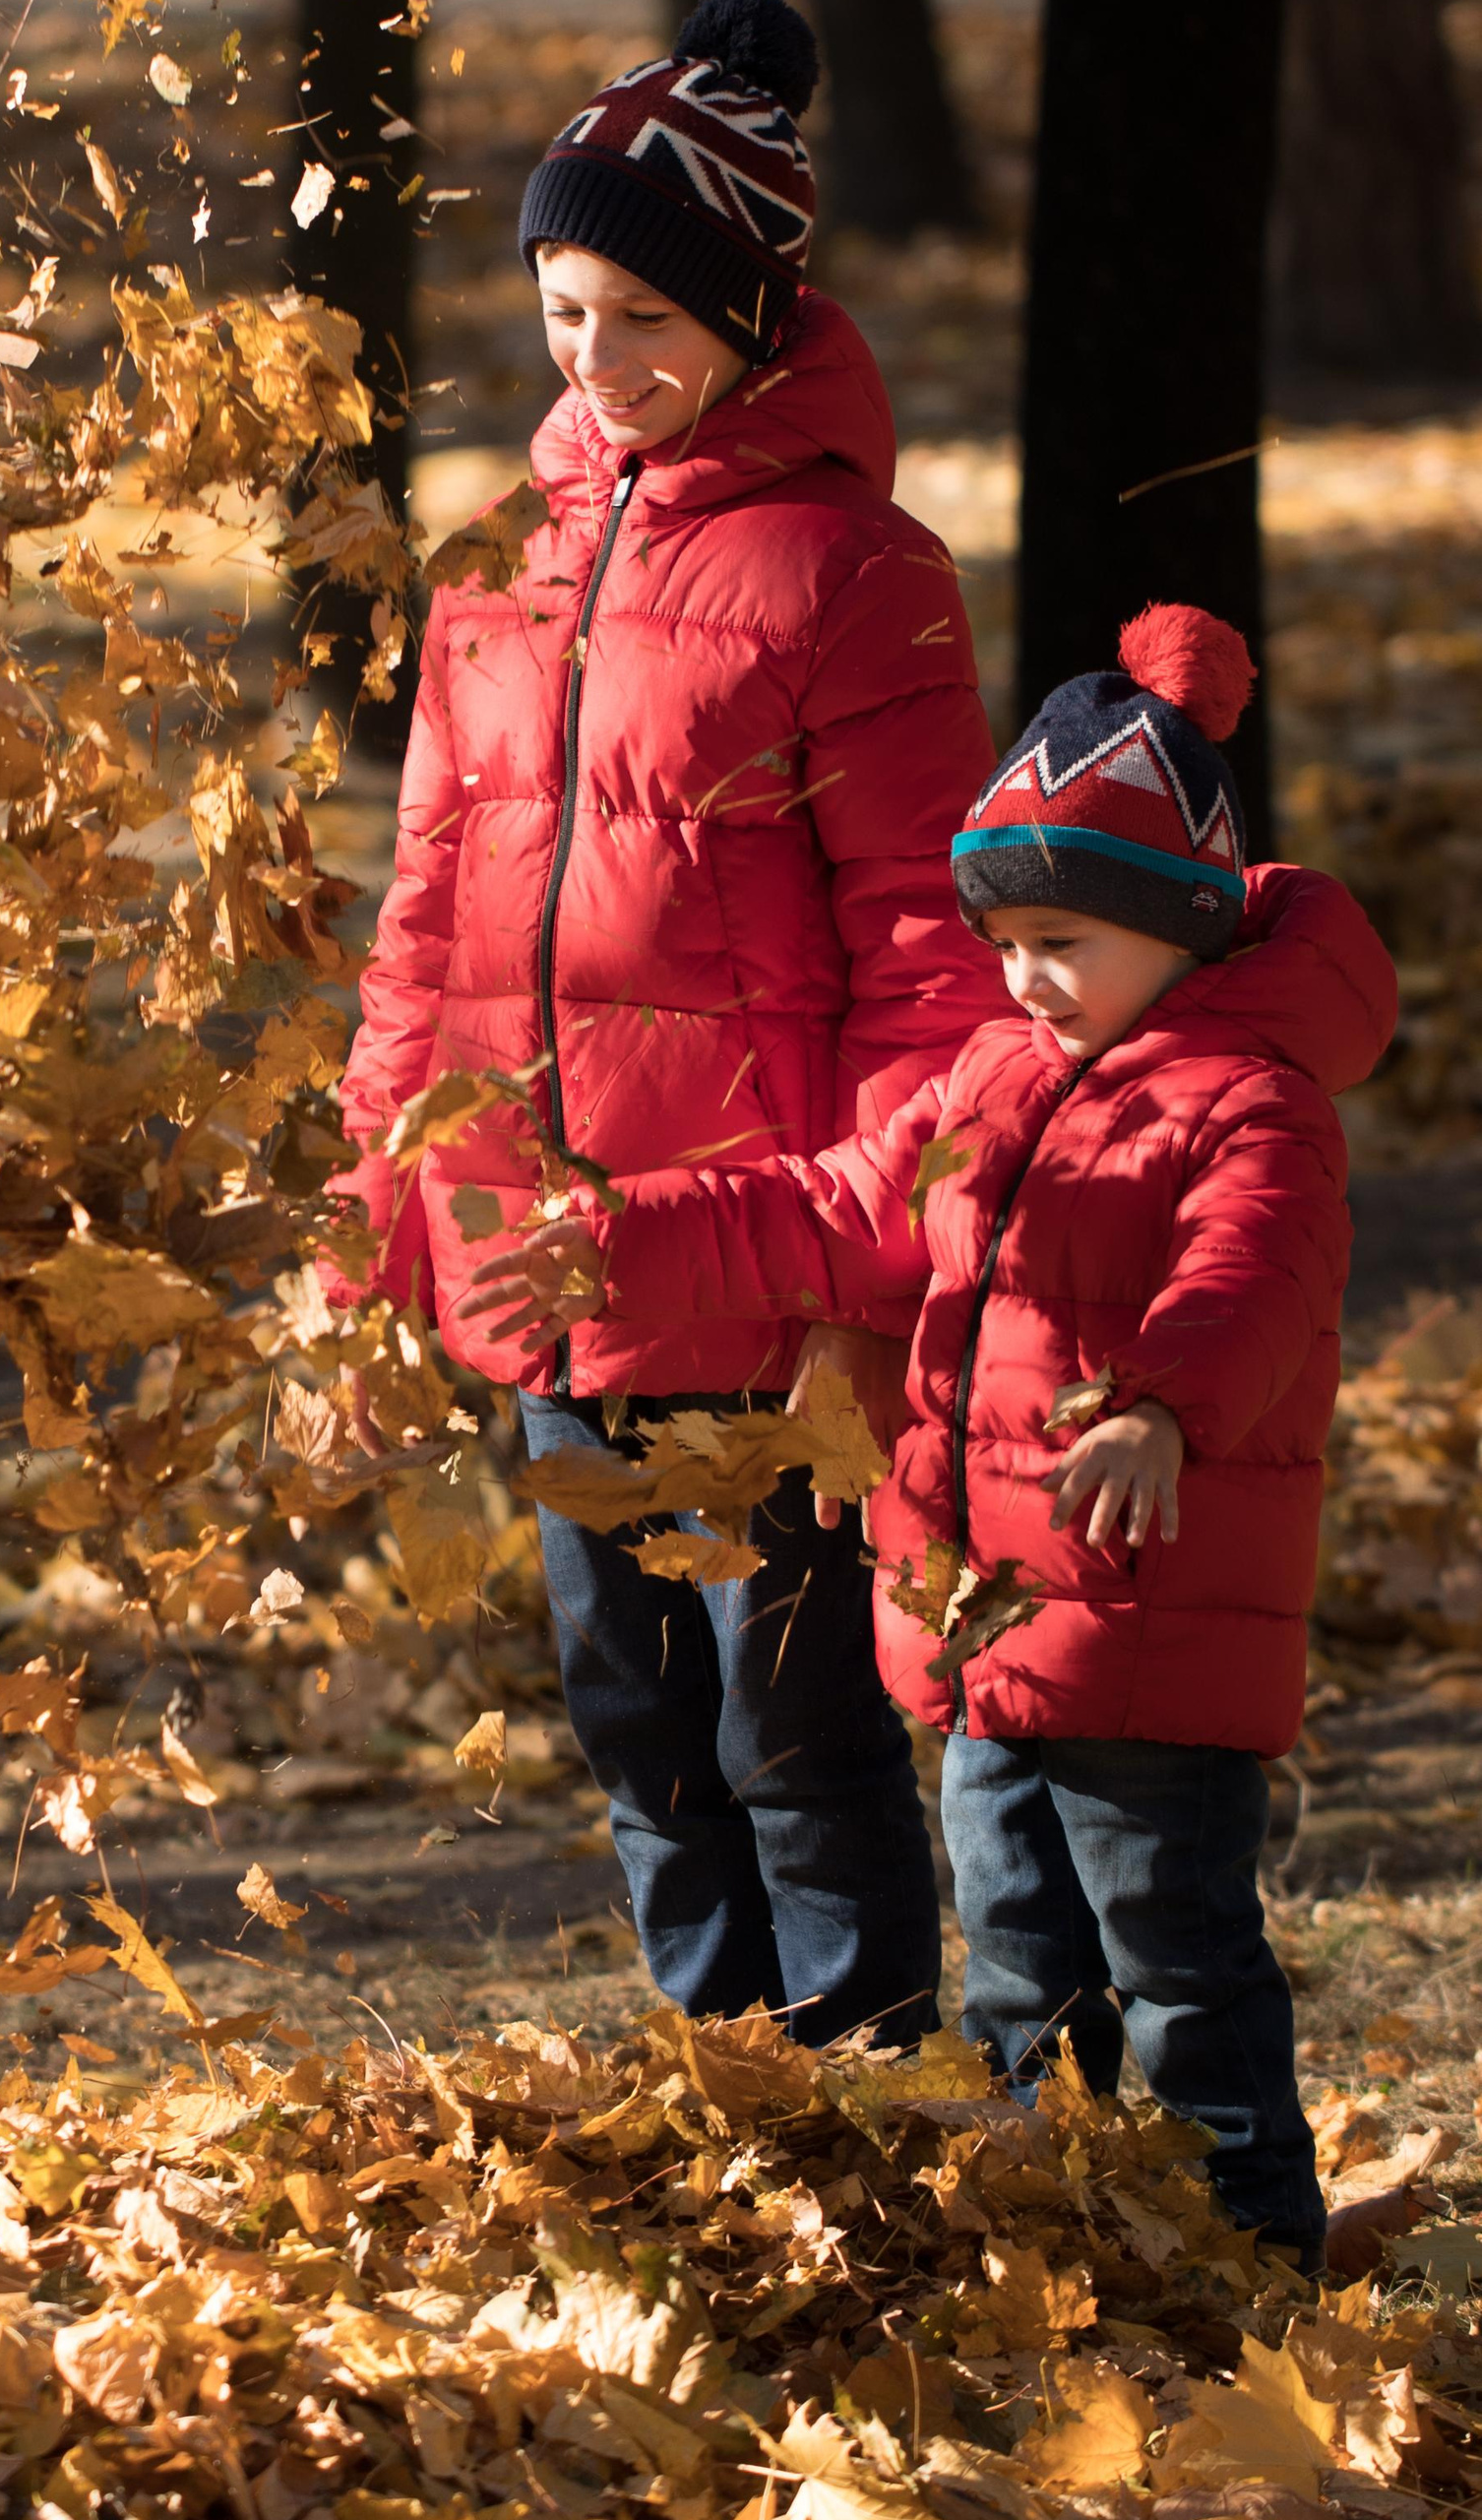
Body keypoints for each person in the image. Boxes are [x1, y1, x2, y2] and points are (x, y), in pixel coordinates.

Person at [460, 605, 1400, 2270]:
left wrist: (1167, 1404)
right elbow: (830, 1210)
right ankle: (1072, 2235)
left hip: (1148, 1629)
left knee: (1175, 1954)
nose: (1029, 977)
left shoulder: (1252, 1105)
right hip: (983, 1629)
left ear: (1181, 928)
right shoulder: (988, 1077)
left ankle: (1253, 2253)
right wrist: (630, 1233)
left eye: (1069, 942)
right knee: (1024, 1960)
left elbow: (1253, 1280)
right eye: (1011, 936)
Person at [324, 0, 1009, 2046]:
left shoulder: (853, 581)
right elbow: (425, 910)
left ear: (746, 309)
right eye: (561, 309)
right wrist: (381, 1176)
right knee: (633, 1717)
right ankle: (722, 2089)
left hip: (754, 1272)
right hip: (538, 1257)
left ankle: (863, 2108)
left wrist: (871, 1245)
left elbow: (926, 968)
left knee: (787, 1726)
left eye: (642, 316)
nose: (599, 365)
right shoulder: (493, 569)